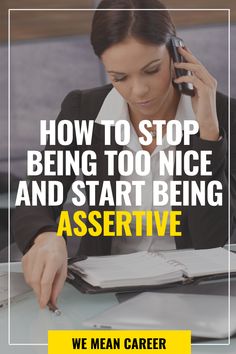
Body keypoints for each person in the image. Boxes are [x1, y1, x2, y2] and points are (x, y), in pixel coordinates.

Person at [12, 0, 236, 309]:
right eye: (120, 77)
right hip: (105, 296)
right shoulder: (83, 111)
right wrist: (45, 236)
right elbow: (34, 198)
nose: (139, 91)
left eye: (151, 70)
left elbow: (212, 243)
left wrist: (207, 135)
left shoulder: (225, 116)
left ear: (176, 52)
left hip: (196, 297)